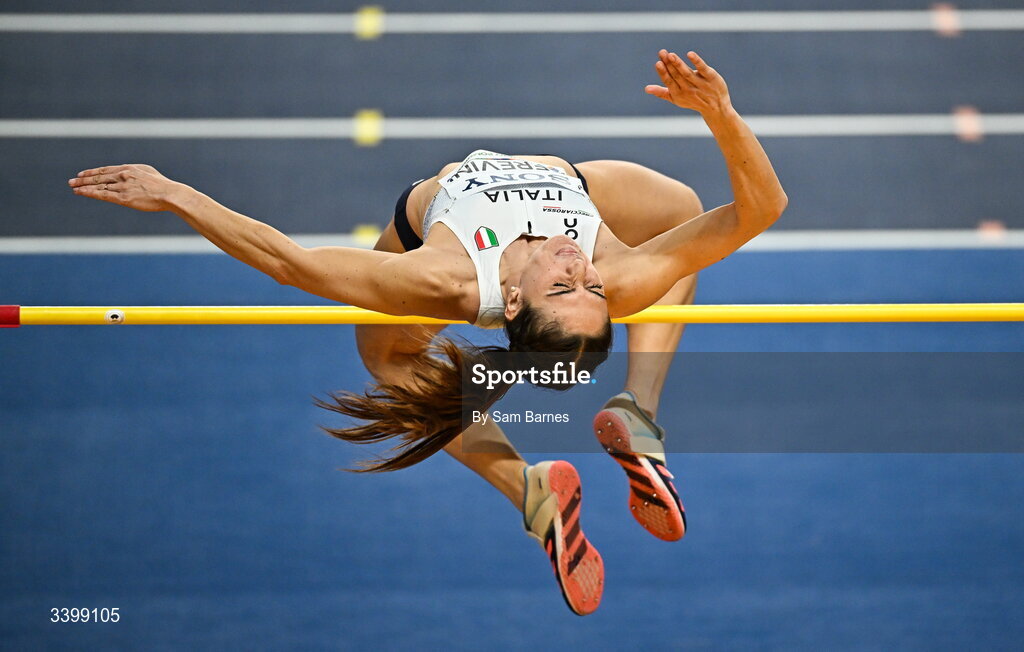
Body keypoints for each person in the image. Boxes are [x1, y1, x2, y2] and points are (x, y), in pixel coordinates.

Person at [69, 49, 787, 615]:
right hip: (578, 181)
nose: (579, 265)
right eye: (587, 285)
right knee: (685, 213)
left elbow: (291, 263)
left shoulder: (442, 276)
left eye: (572, 283)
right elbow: (759, 209)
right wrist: (721, 115)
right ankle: (618, 429)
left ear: (512, 301)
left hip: (428, 217)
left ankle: (548, 479)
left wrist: (177, 193)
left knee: (385, 356)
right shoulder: (609, 271)